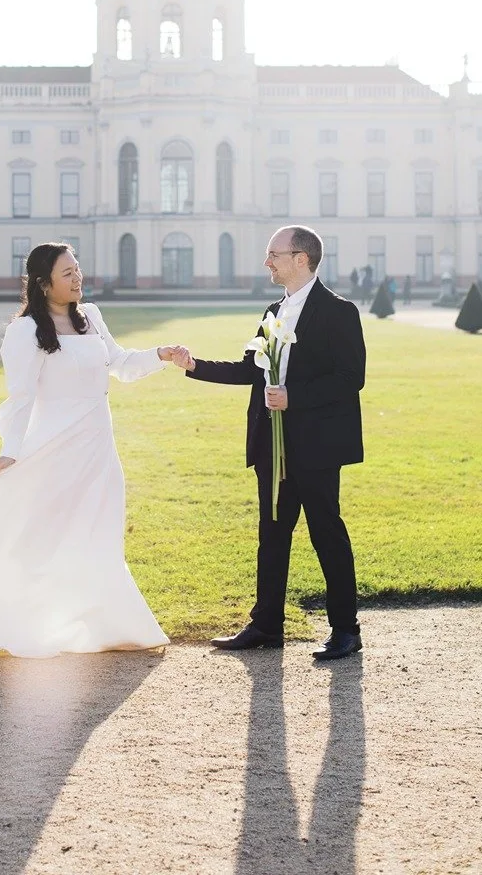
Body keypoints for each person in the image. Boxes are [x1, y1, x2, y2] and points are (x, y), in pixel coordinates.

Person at [0, 242, 193, 658]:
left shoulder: (91, 316)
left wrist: (162, 354)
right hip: (52, 447)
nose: (77, 277)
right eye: (67, 273)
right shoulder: (25, 331)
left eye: (78, 269)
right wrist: (11, 450)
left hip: (97, 447)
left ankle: (106, 625)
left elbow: (118, 364)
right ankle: (21, 620)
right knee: (34, 534)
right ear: (44, 285)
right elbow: (20, 397)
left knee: (98, 532)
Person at [185, 226, 366, 660]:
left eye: (274, 254)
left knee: (327, 534)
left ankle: (346, 629)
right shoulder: (273, 310)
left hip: (317, 447)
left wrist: (294, 397)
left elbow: (350, 378)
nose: (267, 262)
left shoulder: (339, 311)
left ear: (301, 258)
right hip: (272, 447)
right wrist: (194, 365)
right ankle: (266, 625)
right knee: (272, 535)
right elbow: (251, 369)